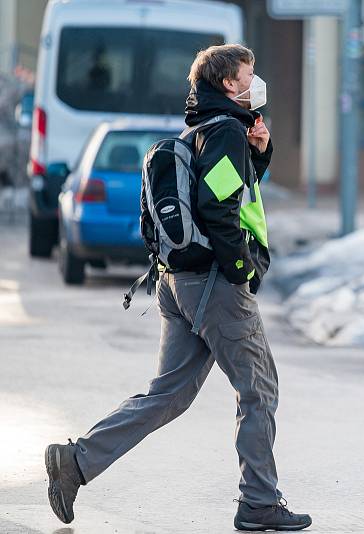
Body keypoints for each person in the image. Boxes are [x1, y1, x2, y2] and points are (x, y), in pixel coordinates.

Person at [44, 44, 312, 532]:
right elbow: (218, 206)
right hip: (214, 282)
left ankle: (75, 462)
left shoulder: (204, 130)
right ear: (230, 83)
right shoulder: (227, 130)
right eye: (251, 74)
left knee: (166, 396)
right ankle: (258, 502)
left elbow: (228, 190)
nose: (257, 82)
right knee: (258, 390)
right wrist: (239, 270)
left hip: (178, 281)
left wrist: (262, 152)